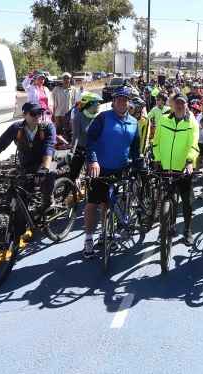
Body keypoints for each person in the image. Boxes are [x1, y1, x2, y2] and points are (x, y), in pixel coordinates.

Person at [83, 86, 141, 259]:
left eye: (125, 100)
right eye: (118, 99)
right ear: (113, 102)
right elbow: (90, 140)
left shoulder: (133, 122)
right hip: (100, 168)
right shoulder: (103, 118)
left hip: (120, 169)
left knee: (109, 204)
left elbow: (135, 149)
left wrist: (138, 164)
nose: (122, 102)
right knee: (93, 204)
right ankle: (88, 238)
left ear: (128, 102)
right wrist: (93, 160)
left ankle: (105, 234)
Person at [0, 103, 56, 218]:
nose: (37, 116)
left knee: (49, 175)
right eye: (33, 113)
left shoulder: (47, 127)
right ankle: (19, 226)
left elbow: (49, 148)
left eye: (39, 113)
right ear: (24, 115)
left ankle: (48, 202)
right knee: (21, 197)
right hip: (26, 164)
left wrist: (44, 168)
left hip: (45, 161)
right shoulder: (16, 128)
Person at [151, 93, 200, 245]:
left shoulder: (191, 123)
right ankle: (167, 226)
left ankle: (187, 230)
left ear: (187, 105)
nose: (179, 106)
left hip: (184, 168)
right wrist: (157, 159)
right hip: (165, 167)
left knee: (186, 202)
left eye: (182, 103)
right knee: (167, 197)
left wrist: (190, 161)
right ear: (172, 105)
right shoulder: (164, 120)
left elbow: (194, 145)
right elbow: (156, 142)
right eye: (177, 103)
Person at [69, 92, 102, 182]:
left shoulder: (99, 117)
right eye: (97, 102)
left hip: (95, 150)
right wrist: (72, 151)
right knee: (73, 174)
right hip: (81, 148)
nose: (99, 104)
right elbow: (75, 136)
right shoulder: (78, 116)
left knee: (96, 177)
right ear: (89, 104)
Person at [51, 72, 79, 139]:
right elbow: (52, 102)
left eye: (68, 78)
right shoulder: (56, 89)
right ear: (62, 79)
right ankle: (59, 146)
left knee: (68, 132)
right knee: (58, 131)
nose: (66, 80)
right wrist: (53, 114)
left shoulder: (74, 89)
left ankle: (67, 146)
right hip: (58, 114)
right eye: (64, 78)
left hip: (68, 114)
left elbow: (76, 102)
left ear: (70, 79)